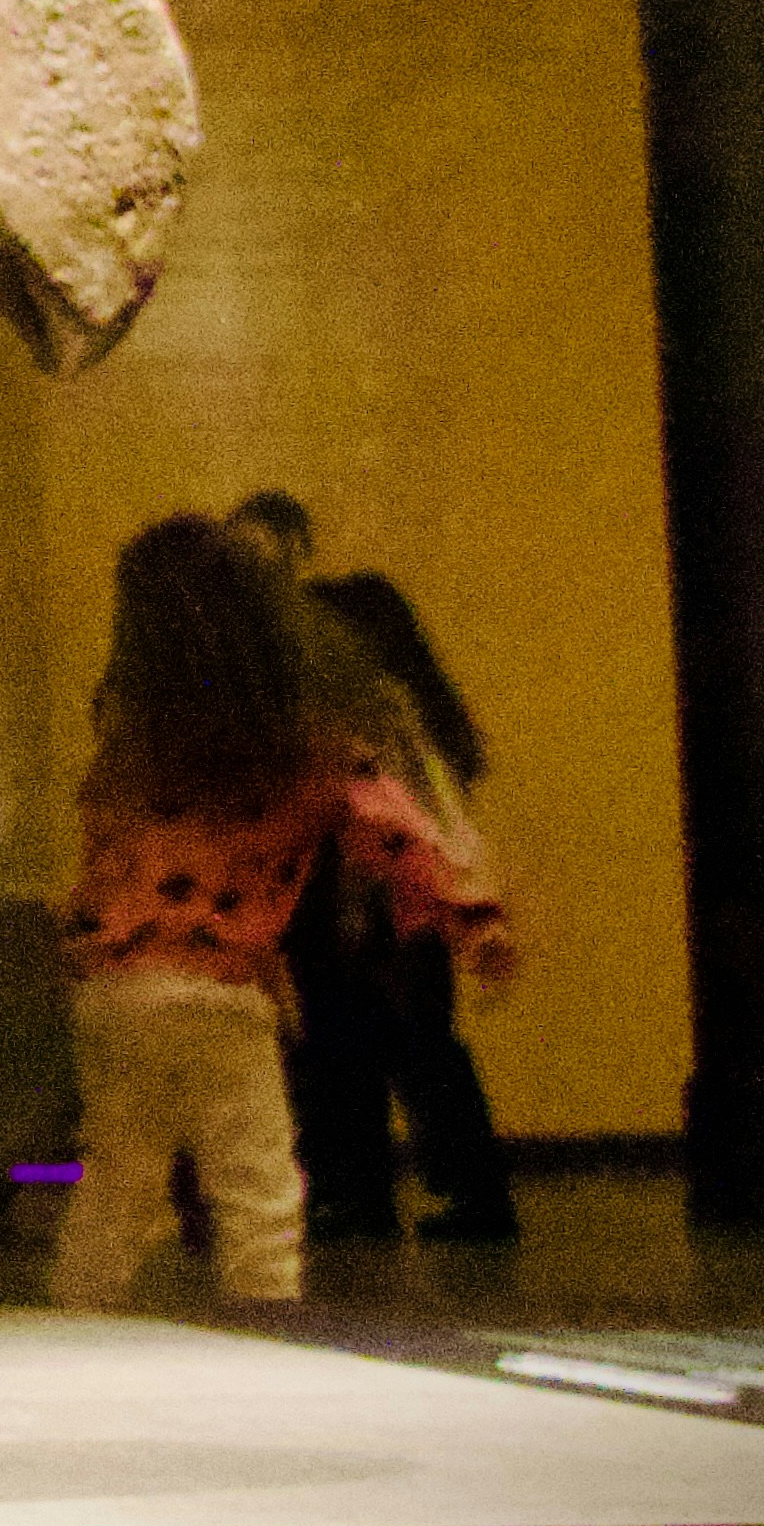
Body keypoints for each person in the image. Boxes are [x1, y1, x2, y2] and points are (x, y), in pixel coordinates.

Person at [53, 515, 514, 1310]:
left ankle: (78, 1321)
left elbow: (103, 851)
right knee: (258, 1181)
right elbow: (400, 832)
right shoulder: (301, 745)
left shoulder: (131, 740)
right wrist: (475, 921)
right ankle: (267, 1332)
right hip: (220, 991)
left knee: (118, 1182)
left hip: (116, 991)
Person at [227, 493, 514, 1245]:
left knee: (343, 1040)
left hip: (349, 886)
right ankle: (463, 1193)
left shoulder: (305, 670)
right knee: (413, 1040)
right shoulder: (393, 696)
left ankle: (361, 1194)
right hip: (390, 889)